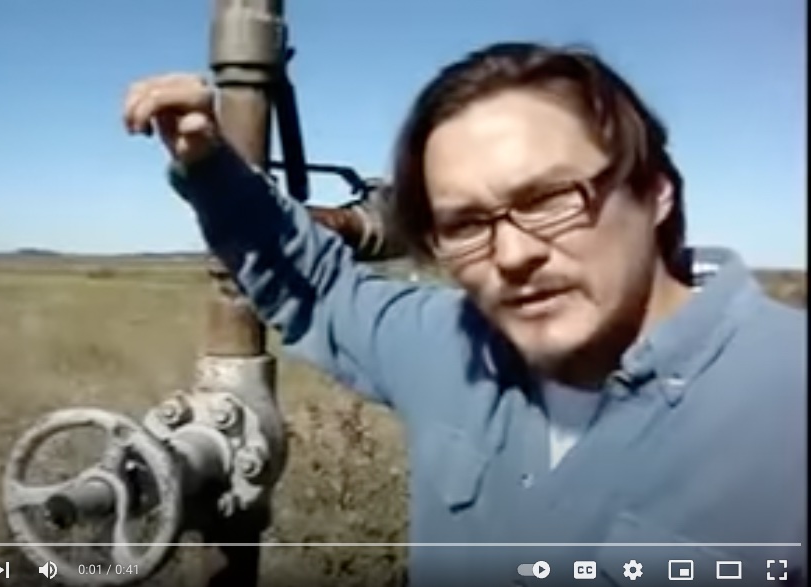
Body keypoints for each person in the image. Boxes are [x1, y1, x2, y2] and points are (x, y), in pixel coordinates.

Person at [123, 43, 806, 586]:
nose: (510, 254)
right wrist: (211, 167)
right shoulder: (452, 347)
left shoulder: (785, 400)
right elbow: (324, 288)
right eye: (466, 223)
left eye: (547, 199)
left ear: (653, 190)